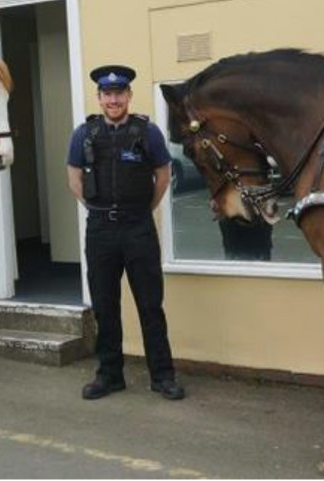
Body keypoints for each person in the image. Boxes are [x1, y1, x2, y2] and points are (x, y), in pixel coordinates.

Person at [66, 65, 185, 401]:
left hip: (138, 228)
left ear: (129, 96)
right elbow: (74, 177)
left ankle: (163, 377)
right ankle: (110, 375)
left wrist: (145, 210)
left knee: (150, 306)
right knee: (105, 306)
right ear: (100, 97)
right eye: (107, 94)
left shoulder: (147, 133)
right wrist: (94, 208)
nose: (113, 99)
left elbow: (162, 176)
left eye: (119, 93)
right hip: (101, 229)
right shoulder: (84, 134)